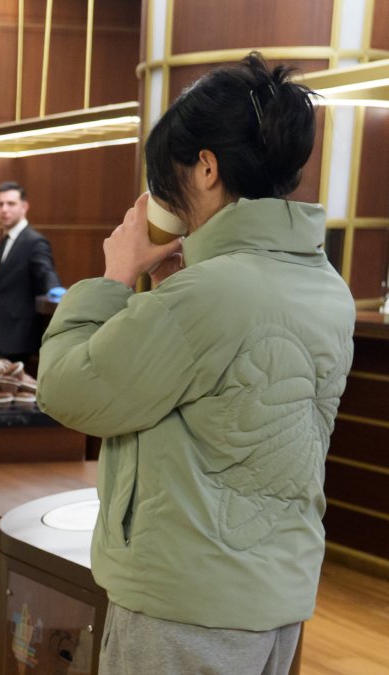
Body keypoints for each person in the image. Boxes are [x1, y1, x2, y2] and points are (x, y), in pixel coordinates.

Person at [36, 52, 354, 675]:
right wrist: (175, 288)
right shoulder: (324, 284)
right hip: (276, 595)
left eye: (167, 178)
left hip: (183, 601)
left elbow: (68, 390)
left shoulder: (208, 294)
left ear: (207, 167)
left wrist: (115, 277)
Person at [0, 182, 62, 361]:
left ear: (24, 207)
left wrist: (53, 286)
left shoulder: (35, 241)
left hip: (17, 338)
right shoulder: (3, 242)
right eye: (0, 204)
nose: (4, 209)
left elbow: (45, 270)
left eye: (11, 204)